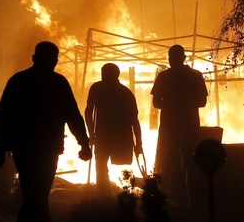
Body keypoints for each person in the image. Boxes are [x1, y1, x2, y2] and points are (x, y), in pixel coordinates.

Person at [0, 41, 92, 222]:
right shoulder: (58, 83)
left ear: (34, 57)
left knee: (34, 199)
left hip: (25, 150)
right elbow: (73, 115)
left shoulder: (19, 81)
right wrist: (84, 143)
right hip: (46, 150)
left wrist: (0, 147)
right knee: (36, 199)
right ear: (54, 60)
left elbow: (3, 115)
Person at [150, 44, 208, 208]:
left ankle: (162, 202)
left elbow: (156, 103)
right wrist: (186, 103)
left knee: (166, 165)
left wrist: (171, 103)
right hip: (189, 127)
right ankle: (193, 204)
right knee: (189, 165)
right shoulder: (195, 76)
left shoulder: (164, 77)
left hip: (170, 127)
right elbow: (202, 102)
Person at [84, 63, 144, 198]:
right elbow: (135, 121)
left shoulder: (97, 88)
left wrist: (91, 133)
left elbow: (88, 112)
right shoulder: (125, 92)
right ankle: (114, 196)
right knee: (106, 166)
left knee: (102, 166)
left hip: (105, 135)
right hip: (118, 137)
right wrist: (138, 144)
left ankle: (107, 196)